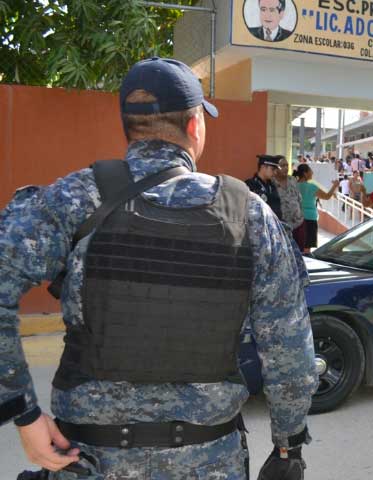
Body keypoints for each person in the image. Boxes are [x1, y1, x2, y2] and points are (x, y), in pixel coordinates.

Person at [0, 57, 315, 478]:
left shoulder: (74, 198)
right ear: (194, 126)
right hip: (209, 462)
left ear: (128, 127)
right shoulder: (249, 215)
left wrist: (23, 413)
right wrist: (287, 446)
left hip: (91, 460)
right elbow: (288, 349)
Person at [294, 164, 338, 253]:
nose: (312, 173)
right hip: (309, 219)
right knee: (307, 247)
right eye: (310, 171)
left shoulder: (293, 185)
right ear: (305, 174)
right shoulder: (311, 186)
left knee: (297, 245)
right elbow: (327, 196)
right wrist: (334, 186)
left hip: (296, 218)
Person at [275, 156, 306, 248]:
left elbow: (299, 198)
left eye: (287, 165)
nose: (286, 168)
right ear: (275, 168)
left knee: (299, 253)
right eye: (282, 165)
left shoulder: (292, 180)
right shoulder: (271, 182)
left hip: (298, 224)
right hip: (281, 226)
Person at [246, 154, 283, 221]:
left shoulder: (272, 186)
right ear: (263, 167)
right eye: (272, 169)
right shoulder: (250, 185)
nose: (275, 172)